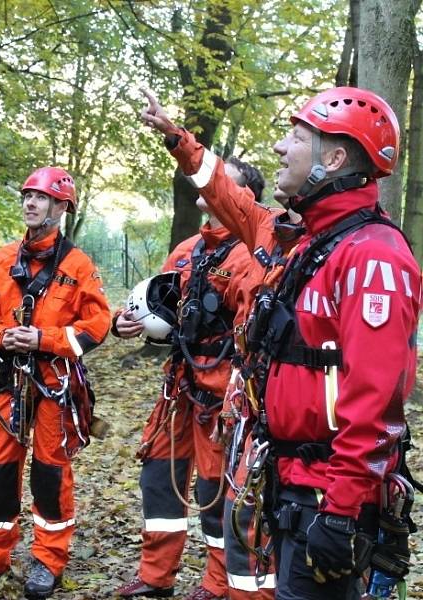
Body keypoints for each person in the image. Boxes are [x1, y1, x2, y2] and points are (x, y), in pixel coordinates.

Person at [140, 87, 420, 600]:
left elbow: (377, 402)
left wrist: (339, 513)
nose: (279, 149)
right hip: (288, 478)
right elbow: (227, 194)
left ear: (333, 159)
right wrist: (180, 141)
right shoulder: (309, 239)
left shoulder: (371, 257)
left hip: (327, 492)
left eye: (295, 137)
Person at [0, 167, 110, 599]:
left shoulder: (77, 265)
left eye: (41, 198)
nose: (31, 203)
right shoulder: (3, 259)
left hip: (55, 380)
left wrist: (45, 339)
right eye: (28, 196)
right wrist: (4, 335)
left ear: (61, 207)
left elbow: (97, 325)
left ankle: (48, 561)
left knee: (50, 473)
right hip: (7, 377)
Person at [113, 158, 267, 600]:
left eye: (222, 179)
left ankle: (217, 584)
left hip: (220, 395)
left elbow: (249, 328)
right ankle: (156, 575)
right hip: (178, 386)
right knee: (159, 477)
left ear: (243, 196)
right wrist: (129, 323)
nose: (209, 185)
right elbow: (165, 311)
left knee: (215, 489)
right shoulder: (188, 249)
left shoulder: (250, 254)